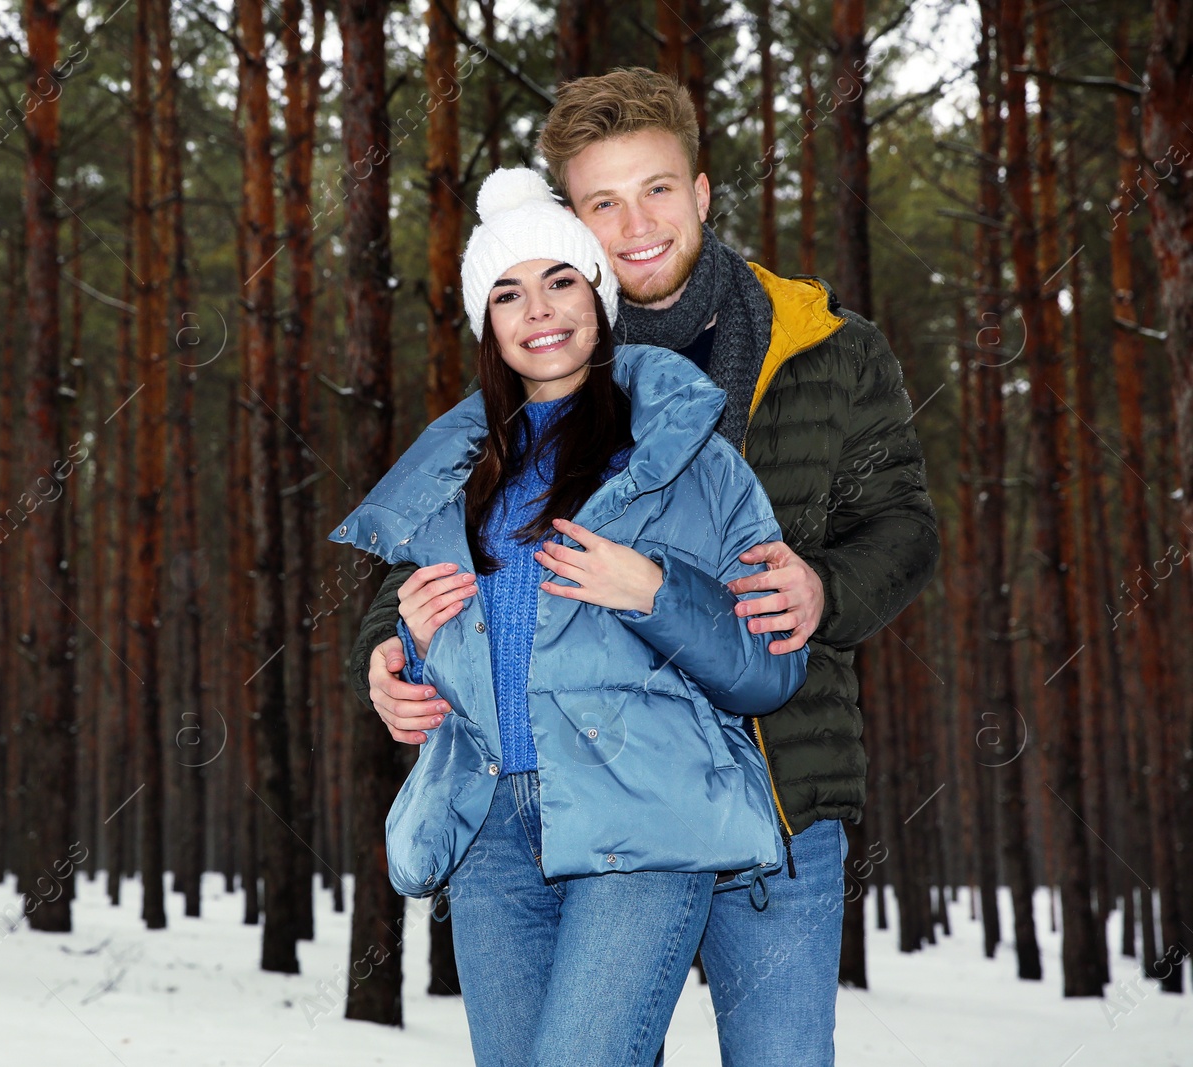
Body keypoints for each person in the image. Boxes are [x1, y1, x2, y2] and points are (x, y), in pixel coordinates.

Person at [348, 69, 939, 1066]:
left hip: (782, 784)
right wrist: (385, 652)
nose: (635, 222)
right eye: (601, 202)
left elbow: (905, 527)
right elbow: (451, 547)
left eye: (656, 188)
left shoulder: (827, 349)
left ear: (702, 192)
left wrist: (824, 587)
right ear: (570, 224)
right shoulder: (548, 341)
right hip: (585, 801)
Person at [329, 167, 808, 1067]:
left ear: (598, 294)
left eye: (560, 280)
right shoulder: (454, 485)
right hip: (490, 829)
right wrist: (417, 654)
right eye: (507, 292)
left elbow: (770, 668)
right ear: (487, 322)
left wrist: (656, 592)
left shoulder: (692, 463)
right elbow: (477, 658)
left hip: (645, 821)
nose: (538, 309)